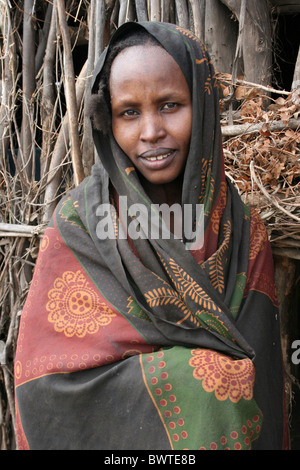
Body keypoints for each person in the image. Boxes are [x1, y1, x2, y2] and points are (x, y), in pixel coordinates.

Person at [14, 21, 289, 450]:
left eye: (170, 105)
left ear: (204, 104)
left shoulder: (242, 233)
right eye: (129, 112)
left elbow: (262, 381)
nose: (150, 132)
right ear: (108, 122)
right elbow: (46, 384)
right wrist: (201, 382)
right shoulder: (82, 224)